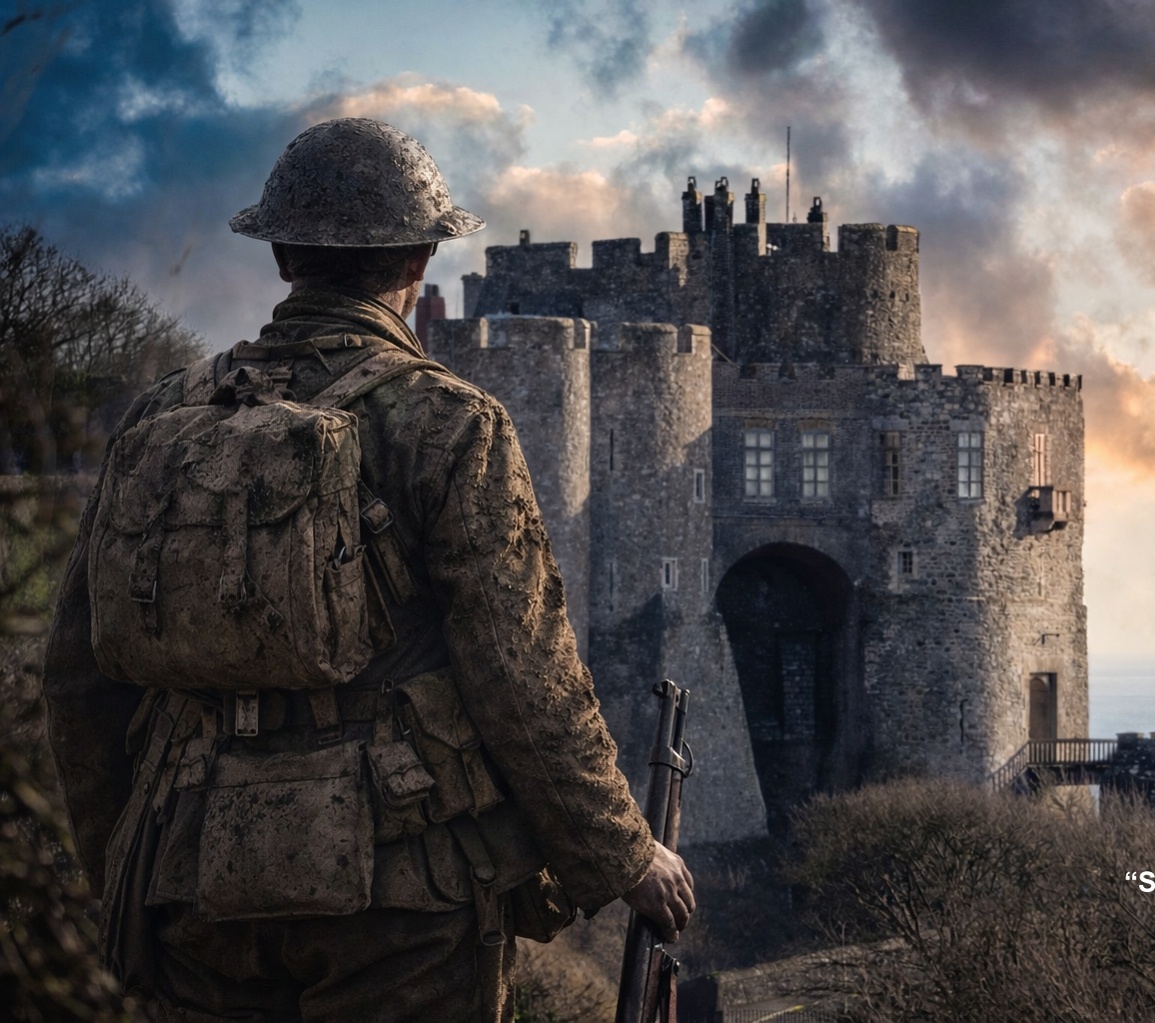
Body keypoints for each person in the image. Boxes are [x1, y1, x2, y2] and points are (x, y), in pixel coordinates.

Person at [42, 117, 693, 1022]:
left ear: (280, 257)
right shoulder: (450, 421)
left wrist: (127, 872)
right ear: (420, 256)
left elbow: (77, 677)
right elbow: (523, 675)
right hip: (399, 895)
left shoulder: (165, 416)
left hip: (188, 880)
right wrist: (625, 853)